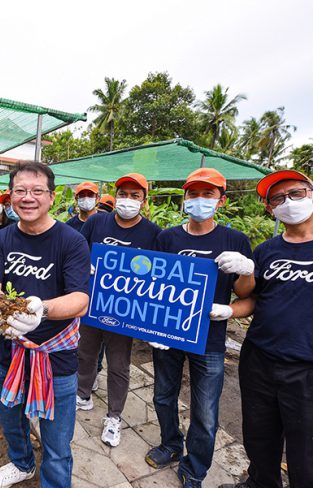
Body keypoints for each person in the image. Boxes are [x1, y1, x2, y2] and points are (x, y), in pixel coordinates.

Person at [0, 162, 90, 488]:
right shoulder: (1, 240)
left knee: (57, 440)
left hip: (55, 359)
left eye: (37, 190)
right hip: (8, 351)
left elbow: (80, 300)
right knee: (11, 418)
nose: (28, 197)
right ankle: (22, 463)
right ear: (11, 196)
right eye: (20, 191)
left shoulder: (71, 241)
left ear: (52, 197)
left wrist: (40, 309)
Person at [146, 168, 255, 488]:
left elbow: (247, 294)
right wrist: (152, 329)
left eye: (208, 194)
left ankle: (195, 467)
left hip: (209, 339)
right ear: (185, 198)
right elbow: (155, 286)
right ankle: (170, 444)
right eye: (193, 193)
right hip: (170, 334)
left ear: (220, 201)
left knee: (206, 412)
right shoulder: (167, 238)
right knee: (163, 396)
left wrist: (245, 274)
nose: (199, 200)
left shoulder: (234, 240)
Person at [218, 170, 313, 488]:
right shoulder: (267, 250)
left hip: (306, 366)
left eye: (296, 193)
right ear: (270, 208)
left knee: (305, 451)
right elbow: (254, 298)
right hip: (259, 357)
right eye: (278, 198)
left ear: (311, 193)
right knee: (259, 436)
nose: (288, 202)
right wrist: (229, 309)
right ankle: (260, 482)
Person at [76, 173, 162, 447]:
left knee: (119, 363)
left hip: (125, 311)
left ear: (144, 201)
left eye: (135, 196)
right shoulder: (97, 221)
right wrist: (83, 266)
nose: (127, 200)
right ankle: (82, 395)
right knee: (85, 353)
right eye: (123, 194)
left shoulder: (153, 233)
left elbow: (159, 275)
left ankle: (114, 416)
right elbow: (77, 250)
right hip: (92, 303)